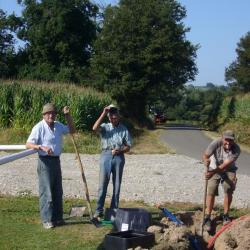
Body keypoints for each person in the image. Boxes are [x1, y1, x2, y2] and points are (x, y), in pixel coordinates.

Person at [26, 103, 75, 229]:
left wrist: (68, 115)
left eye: (53, 113)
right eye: (48, 113)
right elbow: (28, 144)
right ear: (44, 115)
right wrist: (40, 146)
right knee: (46, 191)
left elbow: (72, 130)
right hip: (44, 162)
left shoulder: (58, 125)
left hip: (56, 161)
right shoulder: (39, 127)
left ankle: (58, 218)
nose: (51, 115)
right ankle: (46, 219)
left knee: (57, 191)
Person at [92, 105, 132, 218]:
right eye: (111, 116)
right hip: (106, 155)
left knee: (117, 184)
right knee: (102, 185)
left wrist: (120, 150)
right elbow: (94, 128)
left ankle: (113, 210)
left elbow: (128, 146)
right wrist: (104, 112)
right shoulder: (105, 126)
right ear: (109, 117)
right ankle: (98, 210)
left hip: (119, 157)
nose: (113, 118)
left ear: (119, 117)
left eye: (115, 116)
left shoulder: (124, 129)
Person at [202, 130, 241, 231]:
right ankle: (207, 217)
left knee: (228, 188)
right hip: (214, 167)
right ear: (222, 138)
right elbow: (205, 155)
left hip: (229, 169)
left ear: (234, 141)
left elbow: (224, 166)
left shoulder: (236, 149)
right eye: (226, 140)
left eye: (231, 140)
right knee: (211, 189)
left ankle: (226, 215)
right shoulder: (215, 143)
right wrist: (206, 160)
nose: (228, 143)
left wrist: (211, 173)